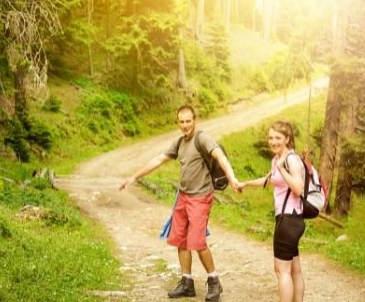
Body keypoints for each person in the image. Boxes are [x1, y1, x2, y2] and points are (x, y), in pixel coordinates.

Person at [119, 105, 241, 302]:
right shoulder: (179, 142)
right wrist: (133, 177)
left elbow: (219, 156)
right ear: (178, 122)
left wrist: (232, 178)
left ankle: (214, 280)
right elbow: (159, 159)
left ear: (195, 120)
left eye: (188, 121)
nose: (185, 125)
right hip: (183, 197)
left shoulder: (202, 138)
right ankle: (187, 282)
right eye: (181, 122)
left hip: (201, 197)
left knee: (198, 242)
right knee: (181, 240)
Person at [238, 120, 306, 302]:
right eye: (270, 138)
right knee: (294, 269)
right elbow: (268, 180)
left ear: (287, 139)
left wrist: (281, 169)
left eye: (278, 138)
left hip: (289, 220)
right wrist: (245, 183)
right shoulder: (277, 159)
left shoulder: (290, 159)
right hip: (289, 220)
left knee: (282, 270)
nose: (273, 141)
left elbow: (298, 188)